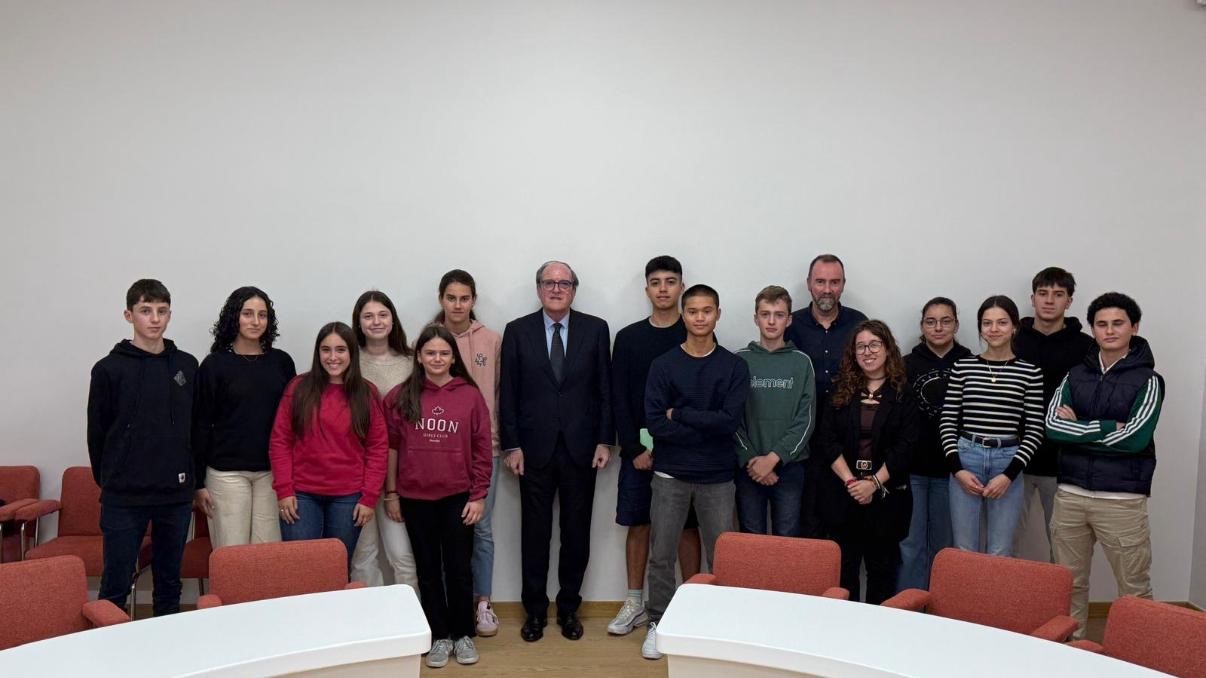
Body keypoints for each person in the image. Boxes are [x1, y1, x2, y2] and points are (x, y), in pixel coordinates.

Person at [499, 261, 612, 643]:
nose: (557, 288)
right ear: (538, 288)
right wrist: (511, 444)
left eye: (564, 283)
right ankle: (534, 612)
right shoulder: (517, 331)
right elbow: (508, 394)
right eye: (550, 282)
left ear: (574, 290)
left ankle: (568, 610)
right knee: (534, 535)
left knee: (576, 534)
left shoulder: (596, 329)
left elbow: (604, 390)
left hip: (582, 450)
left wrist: (604, 439)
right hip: (532, 452)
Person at [641, 284, 750, 660]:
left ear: (718, 314)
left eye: (707, 311)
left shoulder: (734, 366)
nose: (700, 317)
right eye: (693, 311)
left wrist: (682, 414)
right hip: (670, 473)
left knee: (723, 556)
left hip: (718, 476)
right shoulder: (664, 365)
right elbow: (656, 423)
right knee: (661, 552)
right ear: (683, 315)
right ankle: (659, 622)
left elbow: (728, 422)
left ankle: (718, 625)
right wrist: (699, 423)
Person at [1046, 292, 1164, 638]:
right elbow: (1053, 427)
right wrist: (1111, 426)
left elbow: (1136, 439)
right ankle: (1070, 654)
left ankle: (1140, 658)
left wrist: (1078, 427)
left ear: (1134, 327)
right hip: (1070, 495)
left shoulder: (1149, 381)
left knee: (1134, 589)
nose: (1109, 330)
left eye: (1118, 323)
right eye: (1102, 324)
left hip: (1122, 501)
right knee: (1069, 585)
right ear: (1093, 329)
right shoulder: (1074, 374)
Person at [383, 325, 492, 668]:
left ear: (453, 357)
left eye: (444, 353)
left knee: (459, 569)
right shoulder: (402, 396)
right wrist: (392, 494)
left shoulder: (470, 396)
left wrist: (478, 496)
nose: (437, 359)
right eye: (430, 353)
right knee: (428, 571)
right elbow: (391, 448)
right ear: (419, 357)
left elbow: (482, 449)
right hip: (415, 498)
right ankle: (439, 636)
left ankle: (462, 635)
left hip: (458, 497)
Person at [87, 279, 198, 616]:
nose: (154, 319)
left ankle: (169, 660)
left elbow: (195, 428)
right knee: (115, 585)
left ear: (169, 315)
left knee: (169, 585)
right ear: (128, 315)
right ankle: (109, 659)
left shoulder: (186, 366)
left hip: (174, 496)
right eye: (145, 311)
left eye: (161, 311)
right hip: (124, 496)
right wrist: (111, 478)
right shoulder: (108, 369)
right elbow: (97, 434)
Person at [607, 256, 702, 637]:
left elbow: (699, 398)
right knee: (640, 522)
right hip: (639, 453)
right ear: (646, 288)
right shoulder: (628, 338)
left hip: (684, 453)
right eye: (656, 282)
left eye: (671, 281)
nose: (663, 288)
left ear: (681, 287)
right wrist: (633, 448)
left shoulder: (695, 332)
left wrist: (677, 445)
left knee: (686, 526)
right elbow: (619, 398)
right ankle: (635, 601)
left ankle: (692, 603)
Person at [269, 322, 388, 565]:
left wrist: (369, 498)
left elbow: (378, 448)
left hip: (349, 498)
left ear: (352, 353)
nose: (333, 357)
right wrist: (284, 490)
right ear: (318, 353)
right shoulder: (298, 388)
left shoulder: (366, 393)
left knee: (336, 571)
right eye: (326, 350)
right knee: (301, 570)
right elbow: (280, 441)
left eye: (340, 350)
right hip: (301, 496)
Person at [816, 320, 917, 604]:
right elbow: (828, 440)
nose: (867, 352)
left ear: (888, 349)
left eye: (874, 344)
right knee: (844, 574)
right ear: (853, 353)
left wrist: (873, 483)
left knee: (881, 574)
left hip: (886, 498)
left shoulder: (903, 393)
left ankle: (876, 639)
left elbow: (905, 447)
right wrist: (851, 481)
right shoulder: (840, 391)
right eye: (861, 346)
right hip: (843, 495)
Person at [940, 296, 1044, 556]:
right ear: (979, 327)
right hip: (966, 457)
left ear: (1015, 327)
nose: (994, 329)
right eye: (987, 323)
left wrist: (1008, 475)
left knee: (1001, 549)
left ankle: (992, 599)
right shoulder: (963, 367)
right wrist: (957, 470)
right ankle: (964, 599)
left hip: (1008, 459)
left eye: (1002, 322)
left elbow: (1034, 430)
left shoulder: (1030, 372)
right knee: (964, 549)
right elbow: (948, 421)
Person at [193, 286, 296, 548]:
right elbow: (200, 424)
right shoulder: (214, 364)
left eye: (262, 315)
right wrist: (197, 483)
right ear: (234, 317)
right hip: (226, 473)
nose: (255, 321)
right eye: (248, 313)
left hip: (271, 474)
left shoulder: (282, 363)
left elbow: (292, 422)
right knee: (231, 555)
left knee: (268, 555)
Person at [433, 270, 504, 637]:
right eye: (451, 297)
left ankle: (482, 603)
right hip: (440, 452)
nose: (458, 305)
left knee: (482, 530)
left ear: (473, 300)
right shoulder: (430, 341)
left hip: (484, 450)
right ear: (441, 299)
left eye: (464, 298)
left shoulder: (491, 340)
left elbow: (500, 395)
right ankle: (449, 603)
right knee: (446, 531)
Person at [1012, 267, 1094, 560]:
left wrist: (1081, 419)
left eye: (1058, 294)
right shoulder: (1011, 340)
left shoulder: (1087, 347)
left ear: (1069, 301)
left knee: (1063, 549)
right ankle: (1005, 606)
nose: (1049, 301)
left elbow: (1097, 393)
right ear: (1032, 298)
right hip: (1013, 460)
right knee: (1005, 546)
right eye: (1043, 294)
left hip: (1063, 462)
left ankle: (1059, 608)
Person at [784, 254, 867, 537]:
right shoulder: (790, 325)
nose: (827, 289)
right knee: (805, 520)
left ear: (843, 285)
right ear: (809, 284)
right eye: (820, 282)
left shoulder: (859, 324)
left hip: (848, 439)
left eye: (834, 282)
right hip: (802, 438)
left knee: (845, 521)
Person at [898, 297, 971, 590]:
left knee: (945, 547)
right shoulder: (905, 365)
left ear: (956, 324)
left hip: (954, 471)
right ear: (921, 326)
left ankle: (942, 608)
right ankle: (908, 610)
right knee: (910, 542)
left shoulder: (971, 363)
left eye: (945, 321)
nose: (938, 327)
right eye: (931, 321)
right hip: (912, 469)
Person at [734, 285, 816, 537]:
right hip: (748, 467)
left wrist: (773, 459)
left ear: (789, 319)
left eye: (779, 314)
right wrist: (752, 460)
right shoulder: (738, 361)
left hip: (789, 467)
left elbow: (806, 420)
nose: (771, 321)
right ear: (755, 318)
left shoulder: (802, 362)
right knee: (751, 536)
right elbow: (731, 419)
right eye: (765, 313)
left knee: (787, 537)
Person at [350, 291, 418, 590]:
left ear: (393, 319)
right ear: (359, 322)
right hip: (356, 472)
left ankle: (413, 625)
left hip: (399, 475)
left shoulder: (412, 360)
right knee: (363, 557)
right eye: (368, 316)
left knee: (403, 556)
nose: (376, 322)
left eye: (382, 315)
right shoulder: (347, 361)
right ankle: (371, 629)